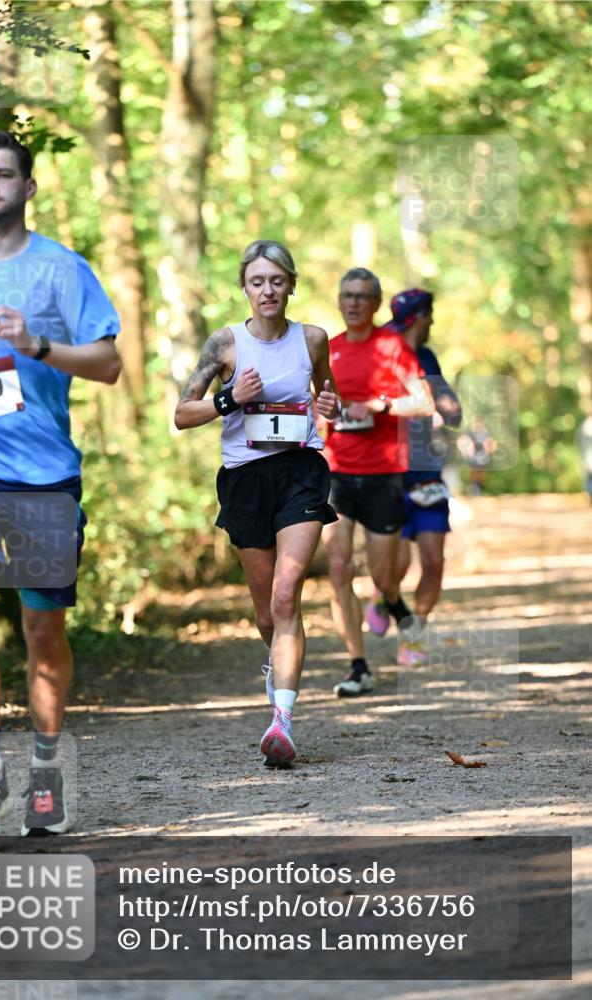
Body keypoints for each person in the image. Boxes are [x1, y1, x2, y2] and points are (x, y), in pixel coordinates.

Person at [0, 130, 121, 836]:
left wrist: (35, 344)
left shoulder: (63, 270)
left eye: (2, 174)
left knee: (42, 628)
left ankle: (44, 769)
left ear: (27, 186)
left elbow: (108, 364)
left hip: (43, 473)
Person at [174, 239, 340, 767]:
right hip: (245, 479)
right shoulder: (225, 345)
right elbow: (182, 414)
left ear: (291, 285)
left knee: (288, 594)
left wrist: (331, 406)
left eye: (277, 281)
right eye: (257, 281)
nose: (268, 290)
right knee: (268, 609)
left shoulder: (313, 339)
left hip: (301, 473)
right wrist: (229, 399)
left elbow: (329, 398)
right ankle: (278, 667)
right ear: (244, 288)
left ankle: (282, 722)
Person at [323, 273, 434, 697]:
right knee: (338, 567)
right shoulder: (326, 349)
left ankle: (405, 620)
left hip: (384, 473)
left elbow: (423, 402)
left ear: (375, 304)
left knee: (384, 579)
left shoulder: (391, 347)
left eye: (362, 297)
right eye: (347, 296)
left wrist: (378, 404)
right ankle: (358, 666)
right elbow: (313, 404)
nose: (353, 303)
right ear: (339, 302)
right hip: (336, 472)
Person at [367, 289, 462, 666]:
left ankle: (413, 636)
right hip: (387, 473)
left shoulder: (426, 357)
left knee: (434, 562)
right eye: (429, 315)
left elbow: (451, 410)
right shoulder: (377, 354)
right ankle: (383, 593)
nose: (433, 322)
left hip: (426, 473)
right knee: (397, 565)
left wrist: (447, 404)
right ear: (419, 318)